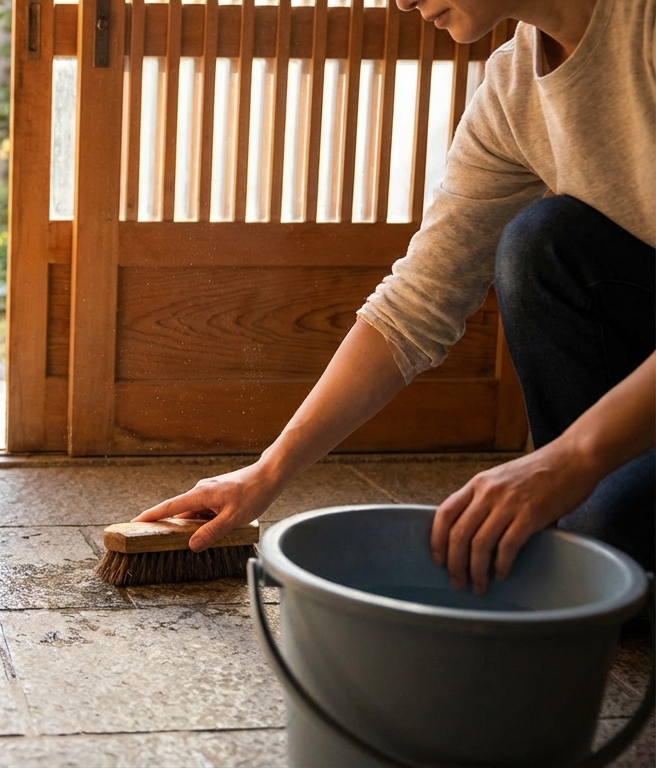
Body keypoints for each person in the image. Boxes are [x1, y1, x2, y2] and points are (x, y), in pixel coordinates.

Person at [134, 0, 655, 595]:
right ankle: (599, 520)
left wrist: (568, 462)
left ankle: (602, 516)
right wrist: (266, 472)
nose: (401, 1)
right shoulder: (512, 90)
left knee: (613, 532)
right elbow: (416, 303)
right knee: (542, 243)